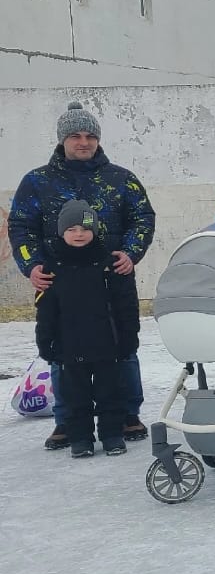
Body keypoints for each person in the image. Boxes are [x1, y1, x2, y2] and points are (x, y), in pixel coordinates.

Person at [8, 101, 156, 450]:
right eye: (75, 136)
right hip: (59, 282)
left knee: (122, 344)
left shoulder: (121, 179)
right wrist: (32, 266)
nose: (83, 142)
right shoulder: (37, 182)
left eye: (90, 135)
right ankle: (67, 420)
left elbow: (142, 218)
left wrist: (131, 254)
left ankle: (127, 413)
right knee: (62, 349)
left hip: (111, 278)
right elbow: (21, 226)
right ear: (62, 140)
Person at [34, 201, 139, 457]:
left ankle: (112, 435)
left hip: (106, 344)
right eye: (71, 228)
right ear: (61, 232)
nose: (79, 233)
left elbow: (126, 305)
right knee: (75, 397)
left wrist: (128, 338)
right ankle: (80, 438)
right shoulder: (52, 269)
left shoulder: (109, 264)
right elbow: (45, 311)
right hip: (69, 346)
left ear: (95, 231)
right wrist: (45, 341)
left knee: (110, 393)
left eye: (84, 228)